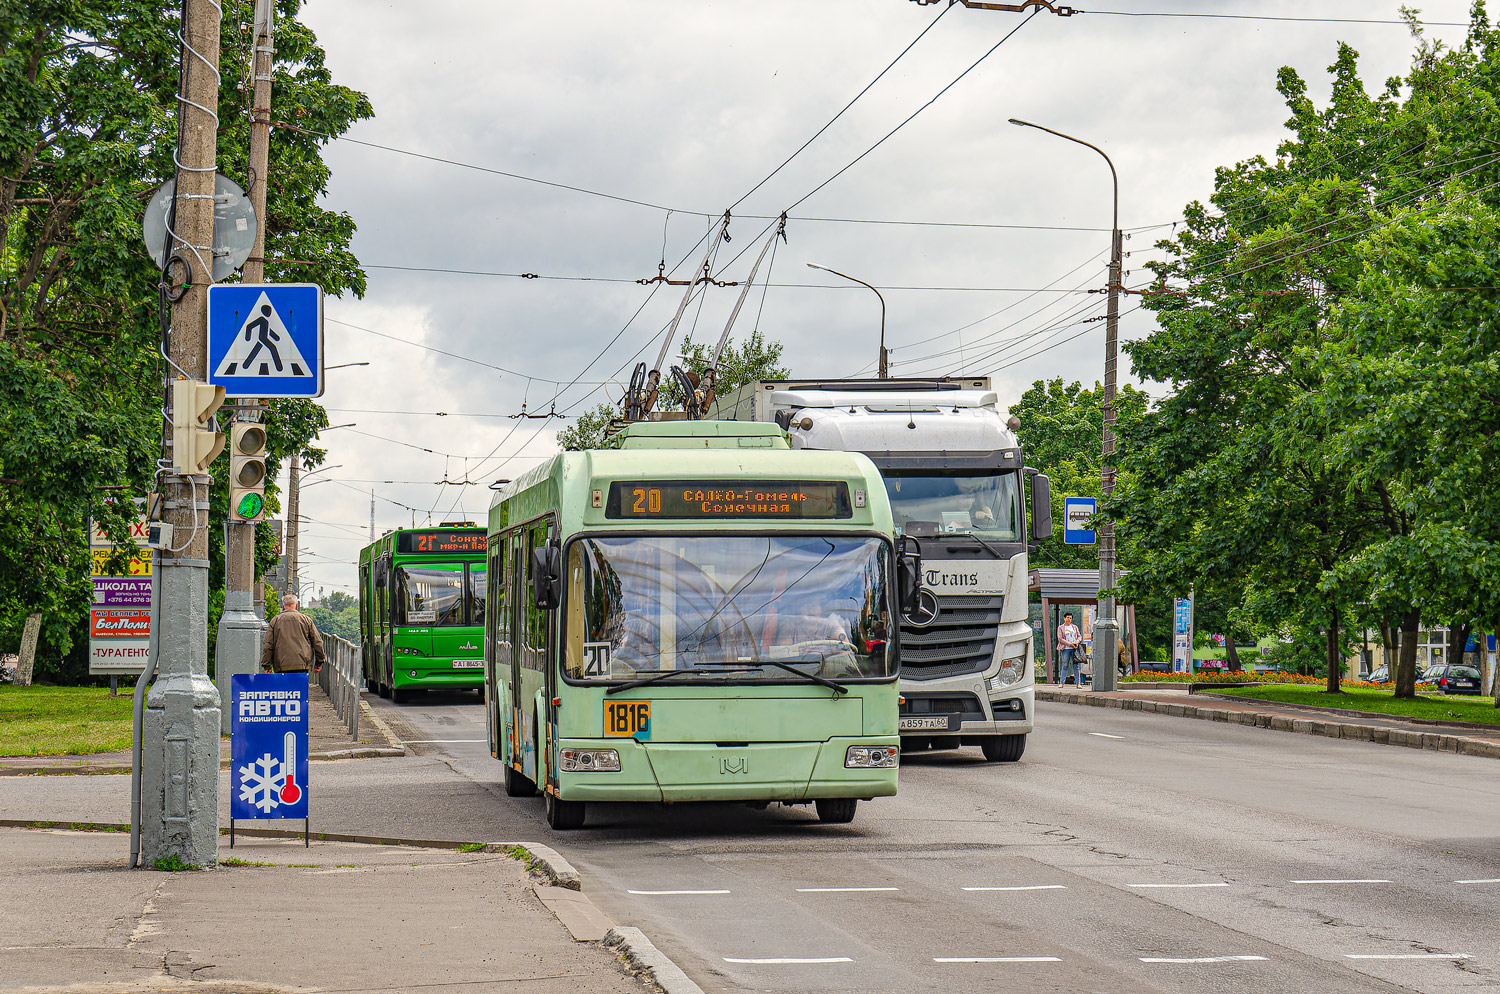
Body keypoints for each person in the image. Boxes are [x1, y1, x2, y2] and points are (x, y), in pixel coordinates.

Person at [260, 594, 326, 675]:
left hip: (281, 665)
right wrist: (319, 662)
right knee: (300, 687)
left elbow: (268, 644)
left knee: (284, 687)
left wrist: (266, 665)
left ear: (283, 606)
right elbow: (317, 642)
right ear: (296, 605)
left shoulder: (275, 620)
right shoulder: (306, 620)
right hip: (302, 664)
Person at [1056, 611, 1082, 684]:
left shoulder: (1074, 627)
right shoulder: (1061, 627)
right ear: (1064, 618)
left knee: (1076, 666)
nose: (1069, 619)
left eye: (1070, 618)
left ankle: (1078, 683)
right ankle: (1061, 682)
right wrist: (1069, 644)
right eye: (1067, 617)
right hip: (1065, 649)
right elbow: (1060, 639)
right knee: (1065, 665)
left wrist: (1076, 642)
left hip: (1074, 649)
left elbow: (1079, 636)